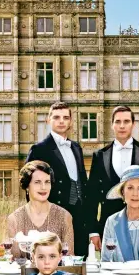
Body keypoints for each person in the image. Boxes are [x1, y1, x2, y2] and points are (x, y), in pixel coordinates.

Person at [86, 105, 139, 249]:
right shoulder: (100, 155)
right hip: (109, 225)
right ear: (112, 124)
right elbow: (92, 196)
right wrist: (93, 230)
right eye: (118, 121)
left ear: (133, 124)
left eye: (126, 121)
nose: (122, 126)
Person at [26, 102, 88, 256]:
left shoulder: (76, 147)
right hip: (52, 215)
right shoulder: (39, 149)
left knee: (78, 261)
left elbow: (81, 182)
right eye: (57, 117)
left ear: (71, 121)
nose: (61, 121)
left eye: (66, 117)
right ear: (48, 120)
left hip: (79, 216)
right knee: (52, 260)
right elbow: (29, 186)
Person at [7, 161, 74, 259]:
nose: (43, 187)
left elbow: (69, 257)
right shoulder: (14, 219)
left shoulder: (64, 216)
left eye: (47, 182)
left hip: (57, 274)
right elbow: (12, 259)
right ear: (27, 186)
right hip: (24, 274)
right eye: (37, 182)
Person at [100, 166, 139, 262]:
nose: (135, 194)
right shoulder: (111, 221)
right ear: (123, 192)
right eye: (130, 188)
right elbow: (105, 261)